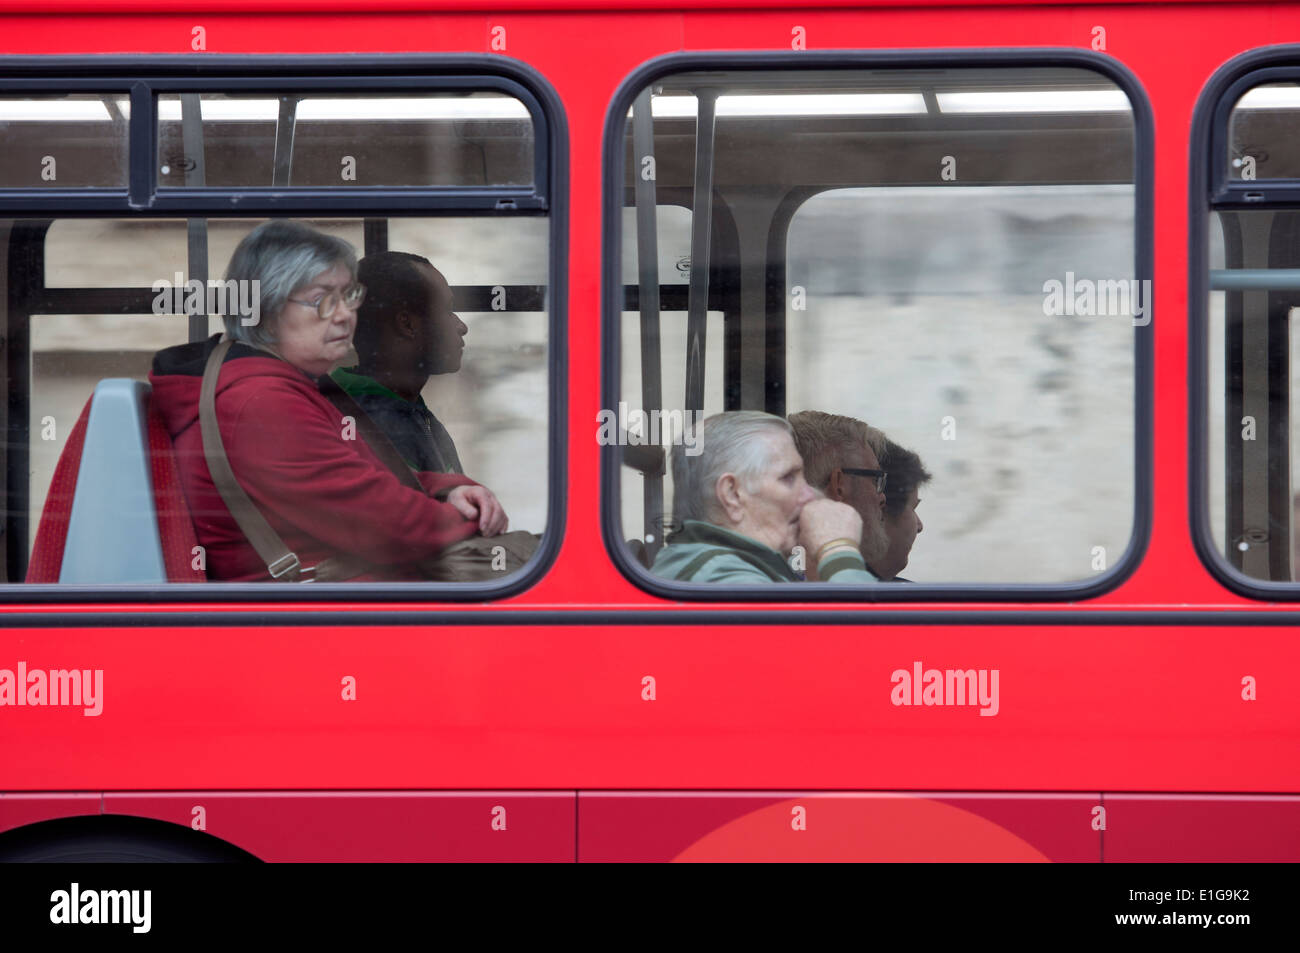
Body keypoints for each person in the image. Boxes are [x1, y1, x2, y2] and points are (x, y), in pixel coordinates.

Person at [149, 220, 507, 581]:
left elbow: (371, 480)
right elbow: (390, 527)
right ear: (267, 311)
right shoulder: (261, 402)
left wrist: (450, 489)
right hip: (320, 612)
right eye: (322, 301)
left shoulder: (285, 385)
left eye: (349, 296)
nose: (344, 315)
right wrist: (470, 516)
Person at [650, 410, 878, 583]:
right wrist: (838, 550)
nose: (811, 495)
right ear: (732, 494)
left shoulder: (723, 569)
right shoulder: (727, 582)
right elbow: (863, 641)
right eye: (788, 478)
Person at [330, 251, 467, 474]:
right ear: (407, 324)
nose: (461, 327)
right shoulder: (371, 425)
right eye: (447, 311)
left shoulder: (410, 412)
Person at [788, 410, 891, 578]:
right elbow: (857, 602)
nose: (882, 497)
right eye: (875, 480)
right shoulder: (843, 589)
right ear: (840, 485)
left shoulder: (766, 577)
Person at [872, 434, 931, 582]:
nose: (920, 526)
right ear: (880, 509)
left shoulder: (813, 587)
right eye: (912, 508)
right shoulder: (912, 601)